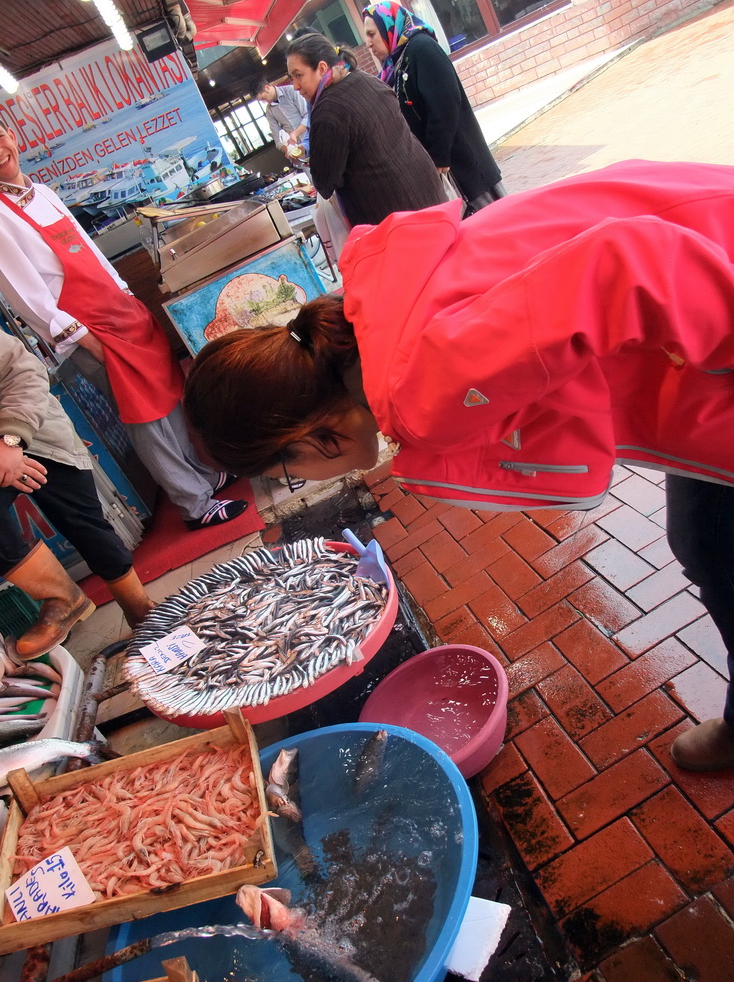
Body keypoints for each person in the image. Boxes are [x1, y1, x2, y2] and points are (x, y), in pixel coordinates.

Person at [183, 159, 734, 773]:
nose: (301, 481)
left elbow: (628, 261)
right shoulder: (376, 314)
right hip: (704, 235)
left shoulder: (417, 387)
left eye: (284, 471)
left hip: (714, 274)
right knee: (710, 542)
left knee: (721, 550)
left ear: (303, 438)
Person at [0, 96, 247, 533]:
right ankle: (193, 504)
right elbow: (27, 295)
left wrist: (126, 295)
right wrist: (85, 339)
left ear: (13, 135)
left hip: (120, 312)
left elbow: (88, 250)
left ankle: (205, 475)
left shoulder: (41, 193)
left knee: (170, 395)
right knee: (144, 415)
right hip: (89, 329)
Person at [0, 314, 155, 658]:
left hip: (35, 433)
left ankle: (142, 612)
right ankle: (62, 598)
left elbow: (23, 370)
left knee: (85, 523)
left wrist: (9, 441)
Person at [285, 32, 445, 227]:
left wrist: (309, 157)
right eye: (292, 78)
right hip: (428, 190)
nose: (295, 86)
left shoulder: (328, 111)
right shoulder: (365, 79)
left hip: (397, 214)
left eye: (298, 75)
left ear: (321, 68)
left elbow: (324, 182)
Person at [362, 0, 504, 213]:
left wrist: (438, 158)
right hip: (445, 170)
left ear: (389, 26)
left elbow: (445, 103)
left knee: (494, 223)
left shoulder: (422, 48)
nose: (368, 43)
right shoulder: (398, 63)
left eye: (372, 34)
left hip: (464, 166)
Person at [251, 77, 310, 164]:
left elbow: (308, 116)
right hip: (298, 150)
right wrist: (287, 150)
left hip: (313, 138)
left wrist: (295, 133)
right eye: (261, 101)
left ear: (267, 87)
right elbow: (277, 138)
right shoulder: (269, 111)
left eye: (263, 98)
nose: (264, 102)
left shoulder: (291, 91)